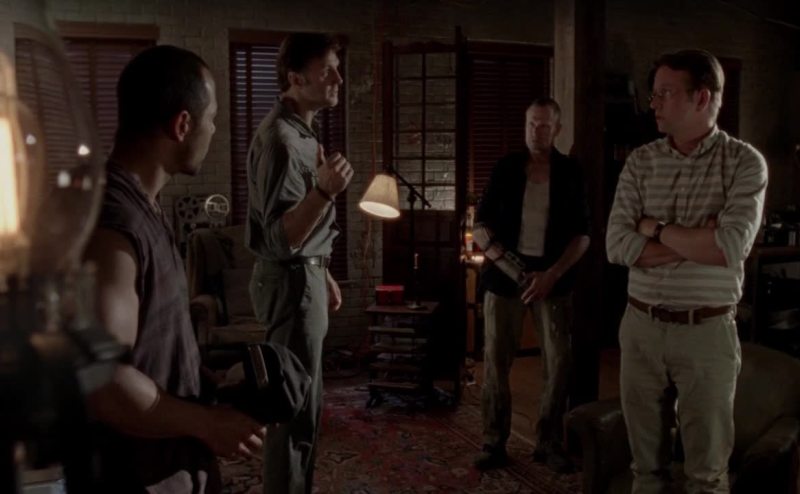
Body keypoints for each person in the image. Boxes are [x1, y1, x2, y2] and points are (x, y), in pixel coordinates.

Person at [83, 45, 266, 493]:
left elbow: (153, 336)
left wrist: (205, 382)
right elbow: (104, 381)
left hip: (174, 466)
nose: (214, 130)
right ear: (183, 125)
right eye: (212, 119)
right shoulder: (114, 222)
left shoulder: (146, 206)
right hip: (138, 476)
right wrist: (207, 423)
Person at [606, 49, 767, 493]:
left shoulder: (744, 162)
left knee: (707, 475)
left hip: (706, 331)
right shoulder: (641, 162)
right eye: (653, 94)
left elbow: (730, 248)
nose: (653, 103)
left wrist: (654, 228)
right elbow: (617, 246)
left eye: (665, 93)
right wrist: (698, 241)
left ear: (702, 97)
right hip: (640, 326)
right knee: (645, 471)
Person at [245, 32, 352, 494]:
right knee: (292, 413)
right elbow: (277, 239)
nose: (338, 79)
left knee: (306, 409)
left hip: (305, 276)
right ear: (296, 78)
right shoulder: (283, 141)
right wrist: (325, 190)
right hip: (291, 283)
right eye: (327, 70)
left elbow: (299, 229)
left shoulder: (302, 133)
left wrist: (321, 270)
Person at [472, 97, 590, 472]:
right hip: (506, 276)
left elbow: (583, 235)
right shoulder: (506, 167)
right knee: (495, 361)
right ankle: (494, 442)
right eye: (531, 124)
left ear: (557, 129)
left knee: (559, 363)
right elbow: (480, 227)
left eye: (543, 125)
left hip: (553, 279)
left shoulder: (570, 172)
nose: (536, 132)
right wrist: (514, 270)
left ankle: (548, 442)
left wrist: (551, 275)